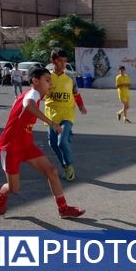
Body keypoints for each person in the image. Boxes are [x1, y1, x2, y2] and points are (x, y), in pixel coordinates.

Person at [0, 66, 85, 219]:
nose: (51, 84)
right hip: (10, 146)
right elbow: (28, 105)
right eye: (47, 80)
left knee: (52, 171)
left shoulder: (29, 95)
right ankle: (1, 193)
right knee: (14, 188)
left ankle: (63, 209)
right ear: (35, 81)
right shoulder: (33, 93)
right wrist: (52, 123)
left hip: (26, 144)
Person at [44, 49, 87, 182]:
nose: (63, 64)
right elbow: (40, 93)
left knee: (61, 141)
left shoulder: (70, 77)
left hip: (67, 114)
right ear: (53, 61)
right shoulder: (47, 77)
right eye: (60, 61)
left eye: (65, 61)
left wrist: (80, 105)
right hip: (51, 116)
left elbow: (76, 93)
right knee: (53, 144)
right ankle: (66, 165)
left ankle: (69, 166)